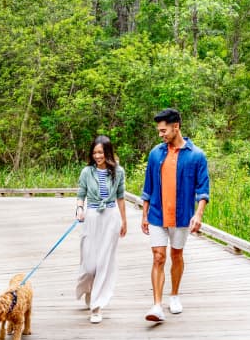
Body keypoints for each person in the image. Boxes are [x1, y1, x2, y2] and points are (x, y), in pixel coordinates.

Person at [141, 108, 209, 322]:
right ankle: (157, 306)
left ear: (176, 127)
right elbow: (148, 188)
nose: (160, 135)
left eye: (163, 131)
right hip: (157, 214)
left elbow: (203, 189)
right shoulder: (155, 154)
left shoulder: (196, 156)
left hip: (181, 215)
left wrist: (198, 214)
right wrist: (144, 215)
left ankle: (175, 295)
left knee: (176, 256)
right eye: (159, 131)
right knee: (158, 257)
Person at [75, 135, 128, 324]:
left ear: (108, 152)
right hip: (91, 217)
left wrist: (124, 221)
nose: (98, 156)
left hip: (111, 217)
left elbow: (121, 197)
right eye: (95, 152)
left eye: (101, 152)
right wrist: (80, 209)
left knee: (104, 263)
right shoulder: (86, 172)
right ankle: (88, 289)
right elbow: (81, 194)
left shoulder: (119, 171)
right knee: (89, 265)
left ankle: (97, 307)